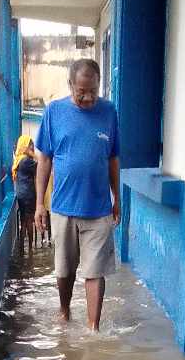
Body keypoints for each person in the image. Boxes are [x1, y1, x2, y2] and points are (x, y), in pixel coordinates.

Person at [34, 58, 120, 331]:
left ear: (99, 85)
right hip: (63, 206)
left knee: (95, 272)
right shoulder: (54, 112)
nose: (88, 97)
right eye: (82, 92)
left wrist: (117, 199)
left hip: (99, 209)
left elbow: (113, 159)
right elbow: (45, 160)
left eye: (93, 91)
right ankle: (64, 311)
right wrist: (39, 204)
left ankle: (93, 329)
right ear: (70, 84)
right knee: (64, 270)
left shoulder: (109, 112)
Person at [12, 134, 37, 252]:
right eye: (30, 145)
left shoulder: (18, 160)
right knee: (29, 222)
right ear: (25, 146)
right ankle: (30, 249)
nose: (32, 147)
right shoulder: (26, 161)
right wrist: (33, 155)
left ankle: (22, 249)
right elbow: (41, 165)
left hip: (21, 194)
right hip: (28, 195)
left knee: (23, 221)